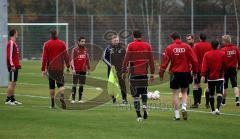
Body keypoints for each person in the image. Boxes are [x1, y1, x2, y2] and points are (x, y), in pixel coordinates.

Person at [159, 32, 198, 120]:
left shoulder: (170, 47)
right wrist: (195, 72)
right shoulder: (187, 46)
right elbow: (194, 60)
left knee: (175, 94)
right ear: (180, 38)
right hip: (185, 72)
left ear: (172, 39)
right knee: (184, 92)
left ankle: (177, 115)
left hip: (174, 73)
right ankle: (184, 107)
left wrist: (161, 74)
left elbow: (164, 62)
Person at [122, 30, 155, 122]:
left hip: (134, 74)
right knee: (144, 92)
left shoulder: (131, 45)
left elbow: (126, 58)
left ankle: (139, 116)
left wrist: (124, 70)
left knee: (136, 96)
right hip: (144, 73)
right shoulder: (147, 45)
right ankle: (144, 106)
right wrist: (152, 73)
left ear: (133, 36)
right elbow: (151, 60)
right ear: (141, 36)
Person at [41, 29, 70, 109]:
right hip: (60, 68)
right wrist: (68, 65)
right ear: (57, 34)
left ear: (50, 35)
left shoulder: (47, 44)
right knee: (61, 85)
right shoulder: (62, 43)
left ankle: (53, 104)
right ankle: (62, 96)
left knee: (52, 86)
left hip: (51, 68)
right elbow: (66, 55)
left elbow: (44, 58)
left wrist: (43, 69)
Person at [201, 40, 226, 115]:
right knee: (219, 93)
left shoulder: (207, 54)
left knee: (211, 94)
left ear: (211, 46)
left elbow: (204, 66)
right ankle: (217, 109)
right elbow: (225, 64)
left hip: (210, 78)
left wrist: (203, 75)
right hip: (220, 77)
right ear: (218, 45)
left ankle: (212, 110)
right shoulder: (222, 54)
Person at [103, 35, 128, 104]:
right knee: (112, 85)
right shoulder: (108, 49)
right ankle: (113, 100)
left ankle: (124, 99)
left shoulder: (123, 49)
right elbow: (104, 58)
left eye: (117, 40)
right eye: (114, 41)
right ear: (112, 41)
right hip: (111, 70)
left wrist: (126, 67)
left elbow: (126, 59)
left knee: (122, 84)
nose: (116, 42)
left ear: (119, 40)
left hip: (121, 70)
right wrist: (110, 66)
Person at [191, 33, 212, 108]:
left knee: (196, 85)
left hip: (198, 68)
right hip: (207, 69)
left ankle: (196, 103)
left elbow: (194, 58)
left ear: (200, 38)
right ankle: (207, 103)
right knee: (207, 85)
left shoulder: (196, 46)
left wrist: (193, 69)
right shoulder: (209, 45)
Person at [220, 35, 240, 106]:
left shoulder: (223, 50)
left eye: (223, 41)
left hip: (225, 70)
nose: (222, 42)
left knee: (225, 86)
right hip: (233, 69)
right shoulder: (235, 48)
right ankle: (237, 99)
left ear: (225, 41)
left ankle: (223, 101)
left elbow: (221, 61)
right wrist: (239, 67)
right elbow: (239, 58)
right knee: (235, 85)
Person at [70, 37, 90, 103]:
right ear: (78, 42)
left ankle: (80, 99)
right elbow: (72, 60)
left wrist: (88, 68)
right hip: (76, 70)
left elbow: (87, 59)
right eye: (82, 41)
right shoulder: (75, 50)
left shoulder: (86, 50)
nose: (83, 43)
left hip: (83, 70)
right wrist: (73, 69)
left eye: (84, 41)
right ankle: (73, 99)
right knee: (74, 84)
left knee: (81, 85)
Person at [5, 29, 22, 105]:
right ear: (14, 33)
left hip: (16, 66)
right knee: (12, 83)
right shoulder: (11, 43)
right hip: (13, 66)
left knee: (14, 83)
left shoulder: (14, 43)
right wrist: (12, 65)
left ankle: (12, 99)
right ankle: (8, 100)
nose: (17, 34)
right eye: (17, 32)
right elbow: (9, 56)